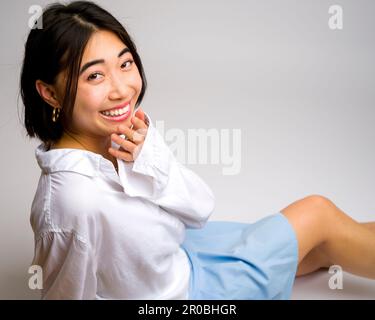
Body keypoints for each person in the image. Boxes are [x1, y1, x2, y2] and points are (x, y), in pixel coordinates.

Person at [20, 1, 375, 300]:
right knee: (319, 214)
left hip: (188, 251)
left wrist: (149, 160)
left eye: (125, 63)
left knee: (322, 247)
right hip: (195, 294)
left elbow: (200, 209)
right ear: (49, 92)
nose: (122, 89)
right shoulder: (71, 202)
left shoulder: (125, 138)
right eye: (94, 76)